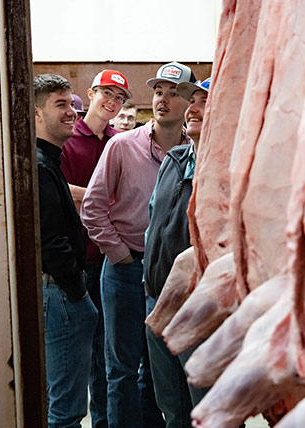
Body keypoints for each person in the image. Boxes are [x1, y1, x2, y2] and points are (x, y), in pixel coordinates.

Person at [81, 62, 197, 428]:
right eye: (159, 91)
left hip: (171, 275)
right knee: (121, 369)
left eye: (173, 93)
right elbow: (93, 207)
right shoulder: (122, 146)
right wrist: (120, 255)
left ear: (191, 102)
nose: (163, 100)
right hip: (126, 270)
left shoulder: (195, 154)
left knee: (161, 367)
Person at [60, 69, 132, 428]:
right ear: (90, 93)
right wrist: (99, 198)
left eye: (119, 98)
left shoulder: (123, 142)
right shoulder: (69, 139)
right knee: (81, 353)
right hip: (81, 258)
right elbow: (60, 188)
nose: (112, 102)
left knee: (112, 353)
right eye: (106, 93)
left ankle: (107, 421)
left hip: (115, 259)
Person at [143, 78, 211, 428]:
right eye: (193, 100)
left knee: (208, 406)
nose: (193, 107)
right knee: (171, 404)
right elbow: (154, 218)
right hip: (157, 296)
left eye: (203, 101)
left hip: (201, 306)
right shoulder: (175, 158)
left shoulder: (226, 166)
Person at [34, 73, 98, 428]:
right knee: (67, 410)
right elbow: (51, 239)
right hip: (61, 294)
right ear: (37, 113)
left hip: (60, 292)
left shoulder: (49, 161)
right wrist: (77, 290)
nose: (72, 112)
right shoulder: (41, 167)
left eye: (73, 104)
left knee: (61, 404)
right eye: (60, 105)